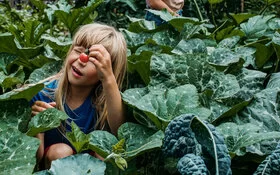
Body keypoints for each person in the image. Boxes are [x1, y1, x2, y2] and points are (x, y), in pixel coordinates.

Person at [30, 22, 127, 170]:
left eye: (94, 60)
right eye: (78, 50)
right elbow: (35, 159)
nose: (81, 60)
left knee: (105, 153)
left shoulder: (105, 102)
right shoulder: (42, 95)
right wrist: (37, 127)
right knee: (61, 152)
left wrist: (108, 78)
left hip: (89, 168)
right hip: (52, 164)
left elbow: (119, 130)